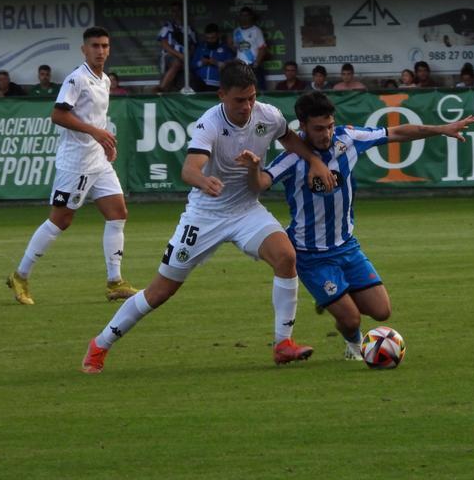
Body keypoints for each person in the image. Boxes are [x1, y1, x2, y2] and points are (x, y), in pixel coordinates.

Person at [80, 61, 336, 373]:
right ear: (221, 96)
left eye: (251, 97)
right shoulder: (209, 124)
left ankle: (283, 344)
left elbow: (291, 141)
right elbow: (189, 169)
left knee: (285, 256)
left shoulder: (268, 116)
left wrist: (315, 162)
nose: (247, 106)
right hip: (205, 215)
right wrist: (205, 181)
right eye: (239, 100)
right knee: (160, 292)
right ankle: (100, 345)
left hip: (246, 211)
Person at [236, 91, 474, 360]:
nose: (326, 134)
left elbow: (397, 132)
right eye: (318, 129)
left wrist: (441, 129)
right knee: (350, 320)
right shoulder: (293, 158)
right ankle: (353, 345)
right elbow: (261, 185)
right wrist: (253, 169)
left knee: (382, 311)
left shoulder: (348, 138)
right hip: (310, 254)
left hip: (347, 246)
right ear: (301, 126)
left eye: (329, 126)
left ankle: (334, 297)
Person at [7, 27, 138, 305]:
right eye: (94, 46)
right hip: (76, 163)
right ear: (84, 50)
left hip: (98, 161)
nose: (100, 51)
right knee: (61, 220)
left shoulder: (103, 80)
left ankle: (115, 281)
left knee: (117, 213)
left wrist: (104, 142)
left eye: (104, 45)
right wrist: (94, 132)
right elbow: (57, 115)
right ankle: (20, 275)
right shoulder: (76, 79)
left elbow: (96, 121)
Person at [156, 3, 197, 92]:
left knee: (186, 77)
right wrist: (179, 55)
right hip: (170, 56)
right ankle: (161, 89)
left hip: (184, 59)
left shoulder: (189, 28)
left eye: (178, 11)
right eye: (174, 11)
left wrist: (187, 56)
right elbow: (164, 44)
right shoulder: (168, 26)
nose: (176, 13)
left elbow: (193, 46)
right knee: (176, 63)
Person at [191, 23, 234, 91]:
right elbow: (192, 65)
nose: (210, 40)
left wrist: (216, 63)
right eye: (207, 38)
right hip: (199, 84)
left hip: (217, 85)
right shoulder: (200, 48)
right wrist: (201, 62)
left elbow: (231, 67)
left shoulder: (225, 49)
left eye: (212, 38)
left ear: (218, 35)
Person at [233, 7, 268, 90]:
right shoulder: (236, 31)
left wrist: (256, 64)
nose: (244, 18)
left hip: (252, 65)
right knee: (241, 89)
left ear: (251, 17)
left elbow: (262, 49)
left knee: (256, 90)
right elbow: (237, 49)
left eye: (246, 15)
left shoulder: (256, 30)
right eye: (242, 15)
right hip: (240, 66)